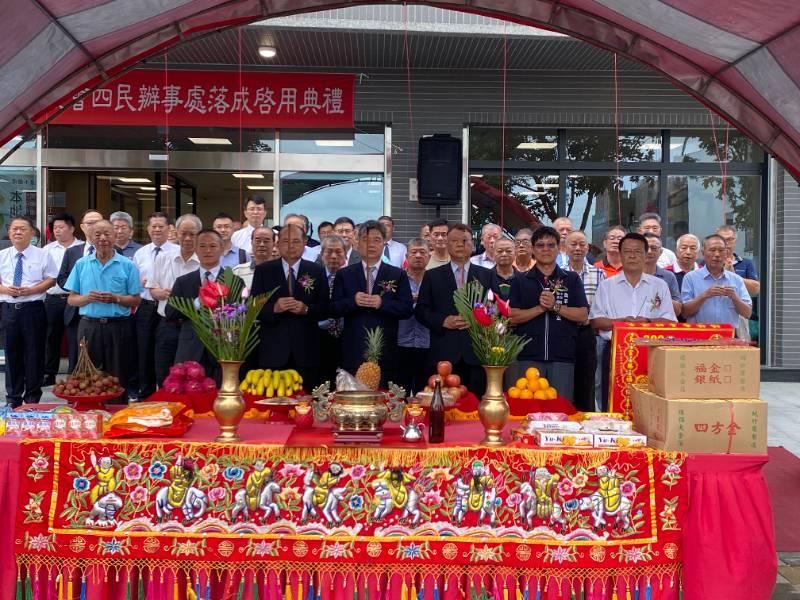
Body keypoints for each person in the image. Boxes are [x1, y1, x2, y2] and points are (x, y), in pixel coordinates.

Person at [590, 233, 677, 409]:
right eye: (627, 251)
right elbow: (595, 322)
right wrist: (621, 323)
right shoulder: (607, 285)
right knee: (613, 401)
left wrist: (647, 322)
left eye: (637, 251)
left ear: (646, 255)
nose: (632, 255)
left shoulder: (659, 285)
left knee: (650, 401)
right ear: (620, 255)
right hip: (616, 351)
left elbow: (670, 321)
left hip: (651, 352)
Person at [509, 226, 588, 404]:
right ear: (533, 249)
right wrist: (540, 308)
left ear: (559, 248)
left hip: (562, 357)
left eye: (551, 245)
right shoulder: (521, 280)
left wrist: (556, 307)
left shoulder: (571, 279)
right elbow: (511, 316)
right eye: (540, 245)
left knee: (561, 410)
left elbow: (583, 315)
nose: (545, 249)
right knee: (526, 410)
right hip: (528, 356)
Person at [64, 220, 141, 402]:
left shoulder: (127, 265)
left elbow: (136, 299)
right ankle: (91, 414)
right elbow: (71, 299)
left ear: (115, 236)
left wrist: (116, 298)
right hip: (89, 326)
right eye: (97, 234)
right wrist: (87, 298)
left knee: (118, 374)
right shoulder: (81, 264)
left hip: (118, 327)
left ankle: (116, 416)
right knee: (89, 375)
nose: (103, 238)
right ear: (90, 238)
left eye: (107, 234)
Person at [331, 220, 413, 387]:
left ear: (384, 244)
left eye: (376, 240)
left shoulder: (397, 274)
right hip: (353, 349)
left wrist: (382, 304)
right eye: (366, 239)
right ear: (357, 243)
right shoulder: (345, 274)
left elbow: (406, 309)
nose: (371, 244)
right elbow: (333, 308)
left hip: (385, 351)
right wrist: (353, 302)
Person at [416, 223, 493, 396]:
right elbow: (421, 311)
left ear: (472, 244)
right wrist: (443, 321)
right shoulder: (432, 275)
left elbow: (495, 309)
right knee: (445, 406)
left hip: (477, 353)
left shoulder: (487, 275)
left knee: (475, 406)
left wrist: (481, 318)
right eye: (454, 241)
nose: (460, 244)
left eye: (465, 240)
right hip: (444, 353)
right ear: (447, 244)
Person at [251, 224, 329, 388]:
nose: (290, 246)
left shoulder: (316, 271)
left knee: (306, 403)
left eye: (295, 241)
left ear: (305, 242)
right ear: (277, 243)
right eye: (285, 241)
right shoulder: (264, 270)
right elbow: (253, 308)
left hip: (306, 351)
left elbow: (325, 308)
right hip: (273, 351)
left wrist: (306, 309)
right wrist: (274, 308)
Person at [165, 230, 240, 384]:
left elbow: (240, 314)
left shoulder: (234, 281)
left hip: (223, 349)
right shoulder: (183, 281)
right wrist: (197, 302)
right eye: (202, 246)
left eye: (213, 246)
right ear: (196, 249)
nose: (207, 250)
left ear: (221, 249)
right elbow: (170, 313)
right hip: (190, 347)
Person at [0, 216, 58, 407]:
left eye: (22, 229)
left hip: (33, 309)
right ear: (9, 232)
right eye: (14, 229)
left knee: (34, 354)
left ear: (32, 233)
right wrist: (5, 289)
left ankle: (32, 398)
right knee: (12, 354)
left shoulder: (43, 254)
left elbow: (51, 279)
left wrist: (33, 290)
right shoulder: (2, 255)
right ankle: (13, 398)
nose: (18, 232)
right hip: (9, 310)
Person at [148, 214, 202, 386]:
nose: (187, 238)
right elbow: (152, 289)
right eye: (183, 233)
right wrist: (161, 293)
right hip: (166, 324)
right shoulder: (163, 258)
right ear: (176, 232)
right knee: (163, 372)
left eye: (192, 234)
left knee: (191, 374)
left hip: (194, 325)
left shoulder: (204, 261)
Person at [131, 213, 177, 399]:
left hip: (169, 307)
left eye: (161, 226)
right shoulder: (140, 253)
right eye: (154, 226)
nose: (157, 230)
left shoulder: (177, 251)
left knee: (166, 350)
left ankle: (168, 391)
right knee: (144, 350)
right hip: (146, 306)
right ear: (148, 229)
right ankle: (146, 393)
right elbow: (133, 281)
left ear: (169, 229)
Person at [56, 209, 105, 372]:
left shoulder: (114, 252)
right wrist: (81, 290)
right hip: (75, 312)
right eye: (90, 223)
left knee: (100, 357)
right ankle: (76, 395)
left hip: (103, 312)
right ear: (82, 227)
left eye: (98, 222)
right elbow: (61, 278)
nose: (94, 227)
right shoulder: (72, 252)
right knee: (76, 356)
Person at [563, 230, 605, 412]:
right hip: (564, 331)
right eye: (573, 244)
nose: (578, 248)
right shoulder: (559, 274)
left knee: (587, 381)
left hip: (588, 333)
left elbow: (603, 305)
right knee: (564, 379)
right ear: (565, 248)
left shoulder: (599, 274)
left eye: (582, 244)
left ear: (588, 247)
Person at [42, 212, 82, 386]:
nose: (57, 231)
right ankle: (49, 373)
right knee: (52, 336)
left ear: (72, 228)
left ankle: (77, 373)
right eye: (55, 228)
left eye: (61, 227)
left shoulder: (83, 248)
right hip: (54, 298)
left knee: (77, 337)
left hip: (76, 298)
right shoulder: (47, 250)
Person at [681, 234, 752, 327]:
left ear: (726, 253)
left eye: (721, 250)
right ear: (703, 253)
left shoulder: (736, 279)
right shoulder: (690, 278)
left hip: (728, 337)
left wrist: (735, 297)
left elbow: (748, 313)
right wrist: (704, 296)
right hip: (699, 337)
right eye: (712, 250)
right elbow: (684, 313)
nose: (717, 254)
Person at [397, 239, 431, 395]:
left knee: (424, 392)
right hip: (401, 342)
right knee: (399, 391)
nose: (418, 255)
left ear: (429, 257)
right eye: (414, 252)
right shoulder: (397, 279)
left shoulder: (435, 280)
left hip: (427, 343)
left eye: (422, 252)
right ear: (406, 256)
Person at [317, 234, 347, 386]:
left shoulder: (351, 276)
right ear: (322, 254)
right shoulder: (314, 276)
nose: (334, 256)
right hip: (318, 340)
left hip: (345, 339)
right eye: (329, 252)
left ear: (345, 254)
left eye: (338, 252)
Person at [643, 233, 682, 318]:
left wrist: (660, 296)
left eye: (654, 248)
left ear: (660, 252)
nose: (649, 251)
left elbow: (678, 310)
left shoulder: (669, 276)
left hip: (660, 326)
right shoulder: (630, 274)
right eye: (645, 247)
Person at [716, 225, 760, 297]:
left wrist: (733, 276)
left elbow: (756, 289)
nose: (726, 243)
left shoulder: (746, 263)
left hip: (739, 307)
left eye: (730, 239)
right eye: (722, 239)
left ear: (735, 241)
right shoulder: (708, 263)